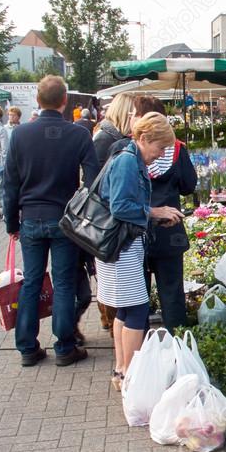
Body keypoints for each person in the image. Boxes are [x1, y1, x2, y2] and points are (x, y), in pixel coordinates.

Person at [3, 75, 99, 368]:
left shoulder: (19, 135)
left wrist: (11, 223)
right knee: (63, 282)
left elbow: (10, 183)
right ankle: (64, 346)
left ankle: (28, 348)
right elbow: (94, 181)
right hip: (64, 219)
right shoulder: (79, 135)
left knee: (31, 282)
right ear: (64, 101)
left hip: (30, 218)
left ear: (37, 101)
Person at [94, 112, 183, 388]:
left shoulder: (126, 156)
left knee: (124, 310)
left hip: (118, 248)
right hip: (122, 249)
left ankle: (122, 371)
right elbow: (121, 207)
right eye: (160, 147)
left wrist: (154, 215)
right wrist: (155, 212)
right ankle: (130, 373)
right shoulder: (127, 162)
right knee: (136, 310)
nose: (161, 154)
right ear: (144, 138)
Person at [108, 96, 197, 332]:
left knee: (137, 300)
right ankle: (176, 346)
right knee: (172, 294)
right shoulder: (176, 150)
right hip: (169, 231)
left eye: (134, 114)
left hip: (133, 234)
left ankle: (141, 348)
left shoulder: (124, 149)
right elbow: (189, 185)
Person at [90, 92, 136, 332]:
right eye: (135, 113)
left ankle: (112, 320)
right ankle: (109, 319)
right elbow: (95, 182)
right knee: (110, 277)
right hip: (105, 219)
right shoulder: (106, 139)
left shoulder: (110, 136)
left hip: (108, 217)